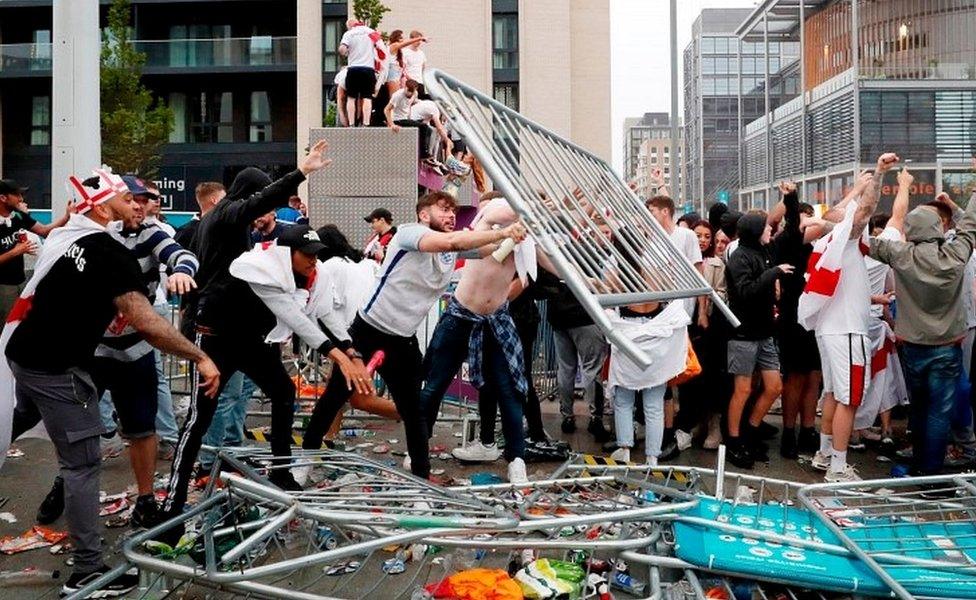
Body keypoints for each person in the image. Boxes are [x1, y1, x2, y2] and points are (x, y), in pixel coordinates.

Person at [2, 167, 219, 597]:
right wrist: (200, 356)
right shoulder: (106, 250)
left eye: (140, 199)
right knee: (82, 462)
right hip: (53, 367)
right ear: (103, 208)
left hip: (31, 355)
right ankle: (86, 572)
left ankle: (133, 506)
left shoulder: (74, 237)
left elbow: (175, 252)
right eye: (127, 199)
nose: (137, 205)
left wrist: (181, 268)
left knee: (22, 420)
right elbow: (149, 324)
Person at [162, 141, 333, 525]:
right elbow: (256, 205)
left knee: (283, 391)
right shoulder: (225, 216)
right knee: (200, 417)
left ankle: (280, 471)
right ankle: (172, 502)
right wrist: (301, 172)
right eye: (258, 201)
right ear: (247, 194)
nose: (262, 212)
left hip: (247, 336)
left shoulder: (232, 224)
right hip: (217, 334)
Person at [300, 191, 526, 481]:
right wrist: (506, 230)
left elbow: (486, 250)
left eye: (453, 211)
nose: (450, 215)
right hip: (368, 330)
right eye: (443, 209)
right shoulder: (409, 233)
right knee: (334, 397)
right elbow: (453, 240)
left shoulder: (450, 249)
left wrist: (516, 236)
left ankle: (421, 478)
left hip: (403, 341)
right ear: (423, 214)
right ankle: (304, 461)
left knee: (415, 412)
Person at [867, 154, 976, 476]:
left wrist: (876, 178)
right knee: (940, 412)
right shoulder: (957, 253)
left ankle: (918, 465)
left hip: (911, 346)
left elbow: (859, 236)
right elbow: (970, 222)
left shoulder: (900, 254)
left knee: (920, 408)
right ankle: (930, 472)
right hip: (948, 347)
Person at [417, 195, 534, 482]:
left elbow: (544, 268)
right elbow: (499, 211)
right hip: (460, 317)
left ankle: (516, 459)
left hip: (495, 320)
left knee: (508, 391)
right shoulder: (483, 224)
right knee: (435, 385)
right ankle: (417, 447)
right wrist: (540, 208)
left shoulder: (525, 241)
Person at [799, 170, 878, 483]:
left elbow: (845, 214)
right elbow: (860, 213)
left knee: (833, 393)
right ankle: (838, 467)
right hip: (847, 330)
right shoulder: (842, 237)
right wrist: (871, 180)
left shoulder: (825, 245)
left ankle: (825, 454)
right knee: (850, 399)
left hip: (830, 329)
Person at [724, 212, 792, 468]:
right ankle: (734, 441)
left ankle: (750, 432)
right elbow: (744, 292)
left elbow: (790, 230)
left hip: (765, 332)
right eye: (765, 227)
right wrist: (773, 272)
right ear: (754, 231)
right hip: (744, 334)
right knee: (742, 390)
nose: (770, 231)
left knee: (774, 386)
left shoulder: (762, 251)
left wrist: (790, 202)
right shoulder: (740, 257)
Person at [769, 181, 822, 459]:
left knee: (814, 376)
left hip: (818, 319)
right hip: (793, 317)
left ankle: (808, 430)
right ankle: (789, 432)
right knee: (795, 377)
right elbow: (790, 225)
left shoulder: (820, 248)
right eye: (806, 218)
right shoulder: (786, 243)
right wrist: (791, 198)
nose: (811, 224)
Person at [607, 299, 690, 465]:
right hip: (657, 335)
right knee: (654, 406)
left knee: (623, 401)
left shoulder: (622, 275)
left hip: (627, 331)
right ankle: (652, 456)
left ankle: (625, 450)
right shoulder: (658, 275)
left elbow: (607, 295)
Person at [0, 179, 70, 319]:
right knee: (5, 325)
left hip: (20, 280)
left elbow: (44, 231)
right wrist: (16, 251)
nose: (21, 199)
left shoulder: (18, 216)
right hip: (3, 286)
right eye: (17, 195)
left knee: (20, 322)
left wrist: (67, 216)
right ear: (3, 198)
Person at [339, 18, 384, 127]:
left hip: (353, 69)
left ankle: (351, 123)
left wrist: (346, 53)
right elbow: (381, 49)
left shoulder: (349, 34)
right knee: (367, 97)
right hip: (368, 69)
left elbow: (342, 49)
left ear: (350, 25)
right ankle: (366, 123)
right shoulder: (371, 32)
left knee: (351, 97)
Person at [174, 181, 225, 252]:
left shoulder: (184, 231)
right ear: (214, 200)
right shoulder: (187, 232)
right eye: (224, 199)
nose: (228, 203)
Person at [400, 30, 428, 96]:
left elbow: (423, 68)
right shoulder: (405, 52)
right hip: (409, 83)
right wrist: (409, 79)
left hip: (420, 82)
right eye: (417, 40)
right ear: (411, 40)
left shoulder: (421, 53)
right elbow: (402, 69)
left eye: (420, 40)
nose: (419, 42)